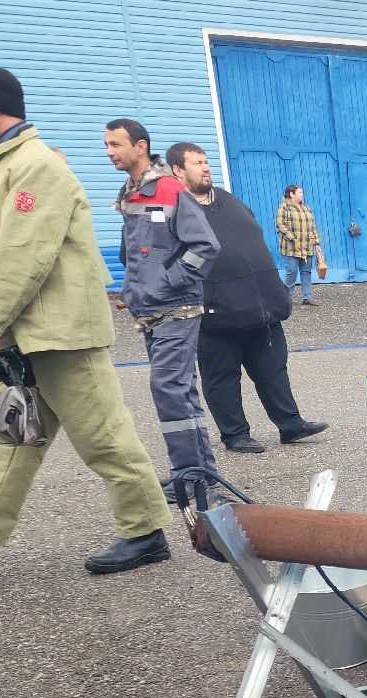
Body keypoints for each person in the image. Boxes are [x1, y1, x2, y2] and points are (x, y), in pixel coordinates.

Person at [0, 66, 173, 582]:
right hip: (26, 328)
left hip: (63, 331)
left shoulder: (38, 167)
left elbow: (27, 254)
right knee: (8, 432)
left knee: (103, 435)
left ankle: (146, 532)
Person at [166, 143, 328, 451]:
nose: (205, 167)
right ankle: (235, 434)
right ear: (178, 170)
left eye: (206, 161)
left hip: (260, 307)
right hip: (217, 314)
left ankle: (290, 424)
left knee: (273, 369)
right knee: (222, 378)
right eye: (197, 163)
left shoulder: (227, 199)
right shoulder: (172, 209)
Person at [105, 118, 222, 499]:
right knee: (180, 389)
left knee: (168, 387)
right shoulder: (131, 193)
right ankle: (197, 473)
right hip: (150, 310)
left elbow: (206, 246)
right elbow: (138, 252)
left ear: (140, 146)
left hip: (177, 307)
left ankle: (190, 475)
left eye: (116, 144)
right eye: (106, 145)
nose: (110, 152)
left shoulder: (169, 189)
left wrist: (167, 282)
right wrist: (132, 289)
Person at [275, 183, 322, 306]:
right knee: (292, 272)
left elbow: (312, 226)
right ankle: (286, 299)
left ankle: (307, 297)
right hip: (291, 248)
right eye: (300, 192)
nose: (302, 195)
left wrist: (316, 241)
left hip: (307, 247)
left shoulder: (306, 208)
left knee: (306, 272)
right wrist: (293, 238)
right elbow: (280, 225)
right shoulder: (283, 207)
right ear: (291, 194)